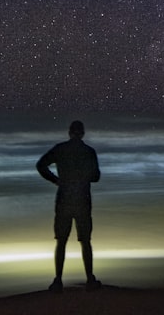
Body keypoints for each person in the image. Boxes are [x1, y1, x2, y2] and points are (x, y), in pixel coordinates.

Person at [36, 120, 102, 292]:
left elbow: (40, 165)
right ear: (83, 133)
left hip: (64, 198)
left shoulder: (60, 149)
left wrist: (56, 180)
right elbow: (96, 177)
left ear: (69, 132)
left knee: (61, 241)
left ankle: (58, 280)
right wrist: (83, 176)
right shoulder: (88, 152)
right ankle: (90, 279)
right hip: (82, 198)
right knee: (85, 241)